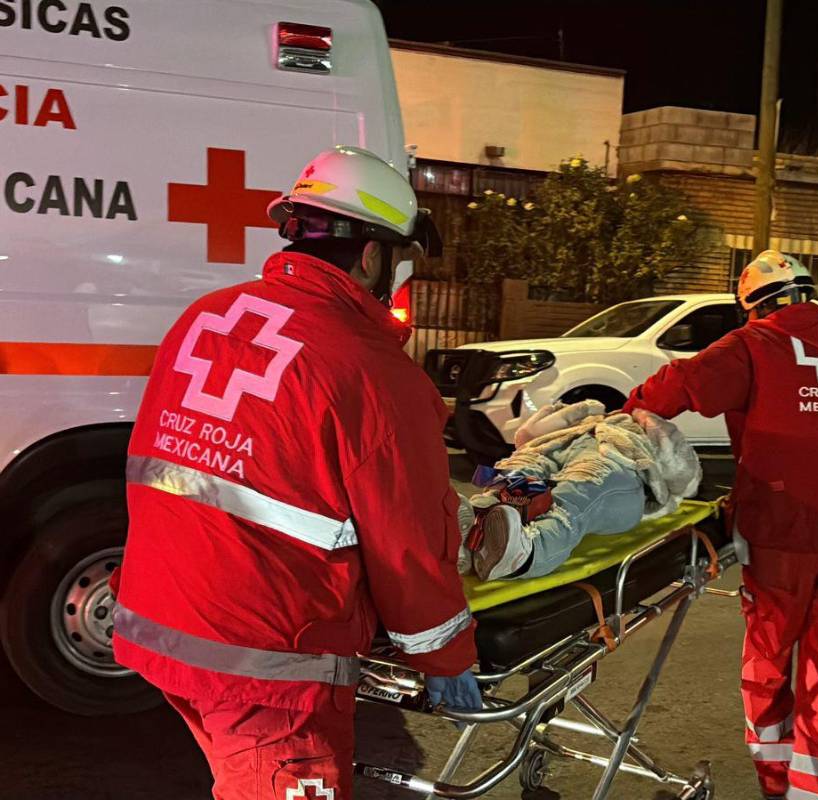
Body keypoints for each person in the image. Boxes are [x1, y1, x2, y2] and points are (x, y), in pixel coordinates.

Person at [111, 146, 480, 800]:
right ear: (373, 256)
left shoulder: (204, 319)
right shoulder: (371, 369)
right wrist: (444, 655)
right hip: (268, 663)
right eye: (398, 262)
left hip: (162, 621)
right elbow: (411, 544)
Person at [623, 250, 818, 800]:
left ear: (754, 307)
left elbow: (678, 386)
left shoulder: (754, 343)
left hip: (785, 531)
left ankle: (775, 784)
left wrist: (629, 413)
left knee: (768, 664)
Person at [465, 399, 700, 580]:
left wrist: (652, 424)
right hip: (551, 446)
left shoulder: (637, 430)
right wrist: (579, 411)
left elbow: (684, 477)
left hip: (616, 460)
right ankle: (470, 529)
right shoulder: (585, 418)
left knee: (580, 492)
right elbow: (527, 435)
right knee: (514, 475)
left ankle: (527, 553)